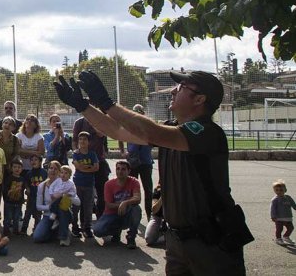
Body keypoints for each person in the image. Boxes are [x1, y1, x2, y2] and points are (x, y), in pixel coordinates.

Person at [56, 70, 252, 273]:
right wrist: (83, 106)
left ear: (200, 99)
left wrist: (107, 102)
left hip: (211, 244)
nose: (174, 91)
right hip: (178, 241)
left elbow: (151, 131)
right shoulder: (172, 129)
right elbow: (116, 131)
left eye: (182, 87)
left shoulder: (206, 132)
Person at [92, 161, 142, 248]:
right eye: (118, 169)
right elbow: (109, 205)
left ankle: (131, 236)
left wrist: (125, 203)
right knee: (97, 231)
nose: (120, 171)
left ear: (129, 171)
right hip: (111, 214)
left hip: (127, 212)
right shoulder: (109, 184)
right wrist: (122, 205)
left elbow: (138, 198)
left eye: (123, 169)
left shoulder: (134, 181)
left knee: (136, 209)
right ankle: (116, 231)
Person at [71, 113, 111, 218]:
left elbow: (101, 134)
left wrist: (93, 121)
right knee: (83, 194)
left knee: (102, 193)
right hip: (84, 160)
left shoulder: (100, 121)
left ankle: (100, 217)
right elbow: (74, 141)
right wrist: (77, 153)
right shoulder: (79, 123)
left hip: (99, 161)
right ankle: (84, 221)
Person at [32, 161, 79, 246]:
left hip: (64, 214)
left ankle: (64, 235)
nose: (52, 171)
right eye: (51, 168)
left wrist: (66, 195)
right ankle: (58, 231)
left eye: (56, 169)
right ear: (47, 170)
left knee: (62, 210)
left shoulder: (67, 184)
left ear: (59, 172)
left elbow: (78, 202)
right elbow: (38, 206)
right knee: (37, 237)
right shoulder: (42, 186)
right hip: (49, 216)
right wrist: (50, 207)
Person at [127, 104, 154, 221]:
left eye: (140, 112)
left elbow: (154, 141)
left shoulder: (148, 126)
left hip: (145, 161)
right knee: (132, 189)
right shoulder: (129, 126)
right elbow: (120, 137)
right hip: (133, 162)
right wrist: (123, 151)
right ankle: (133, 215)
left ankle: (150, 216)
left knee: (148, 190)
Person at [71, 131, 99, 239]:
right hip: (78, 183)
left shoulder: (92, 153)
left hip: (89, 184)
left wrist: (84, 168)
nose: (82, 141)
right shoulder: (76, 154)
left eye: (85, 139)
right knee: (76, 206)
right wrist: (89, 168)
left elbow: (96, 167)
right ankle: (74, 227)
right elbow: (78, 167)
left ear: (89, 142)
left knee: (88, 207)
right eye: (80, 139)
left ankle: (86, 228)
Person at [21, 154, 47, 235]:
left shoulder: (44, 172)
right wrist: (27, 188)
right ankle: (23, 229)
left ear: (40, 162)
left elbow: (47, 182)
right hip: (31, 197)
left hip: (40, 198)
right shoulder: (29, 173)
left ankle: (36, 229)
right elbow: (26, 183)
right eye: (32, 160)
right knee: (27, 213)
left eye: (36, 160)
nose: (33, 161)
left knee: (38, 215)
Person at [47, 165, 78, 231]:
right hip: (55, 196)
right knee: (54, 204)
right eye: (62, 172)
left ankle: (56, 217)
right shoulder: (58, 180)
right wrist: (51, 194)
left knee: (61, 204)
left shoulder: (71, 183)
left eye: (66, 173)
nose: (63, 175)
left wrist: (68, 194)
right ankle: (56, 218)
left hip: (64, 198)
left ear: (69, 175)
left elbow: (74, 192)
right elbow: (51, 187)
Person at [3, 159, 26, 235]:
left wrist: (24, 198)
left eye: (19, 167)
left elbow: (24, 189)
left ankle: (15, 230)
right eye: (15, 167)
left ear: (22, 169)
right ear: (11, 168)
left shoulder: (22, 179)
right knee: (8, 217)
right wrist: (9, 192)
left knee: (16, 217)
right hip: (9, 201)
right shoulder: (9, 178)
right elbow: (5, 189)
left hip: (18, 202)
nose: (17, 169)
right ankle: (6, 230)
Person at [271, 179, 296, 245]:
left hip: (288, 217)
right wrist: (273, 216)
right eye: (276, 190)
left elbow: (294, 205)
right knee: (279, 229)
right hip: (279, 218)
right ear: (274, 190)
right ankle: (278, 239)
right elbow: (273, 208)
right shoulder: (275, 200)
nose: (279, 191)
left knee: (291, 228)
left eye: (281, 190)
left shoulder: (288, 198)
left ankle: (286, 237)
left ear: (285, 190)